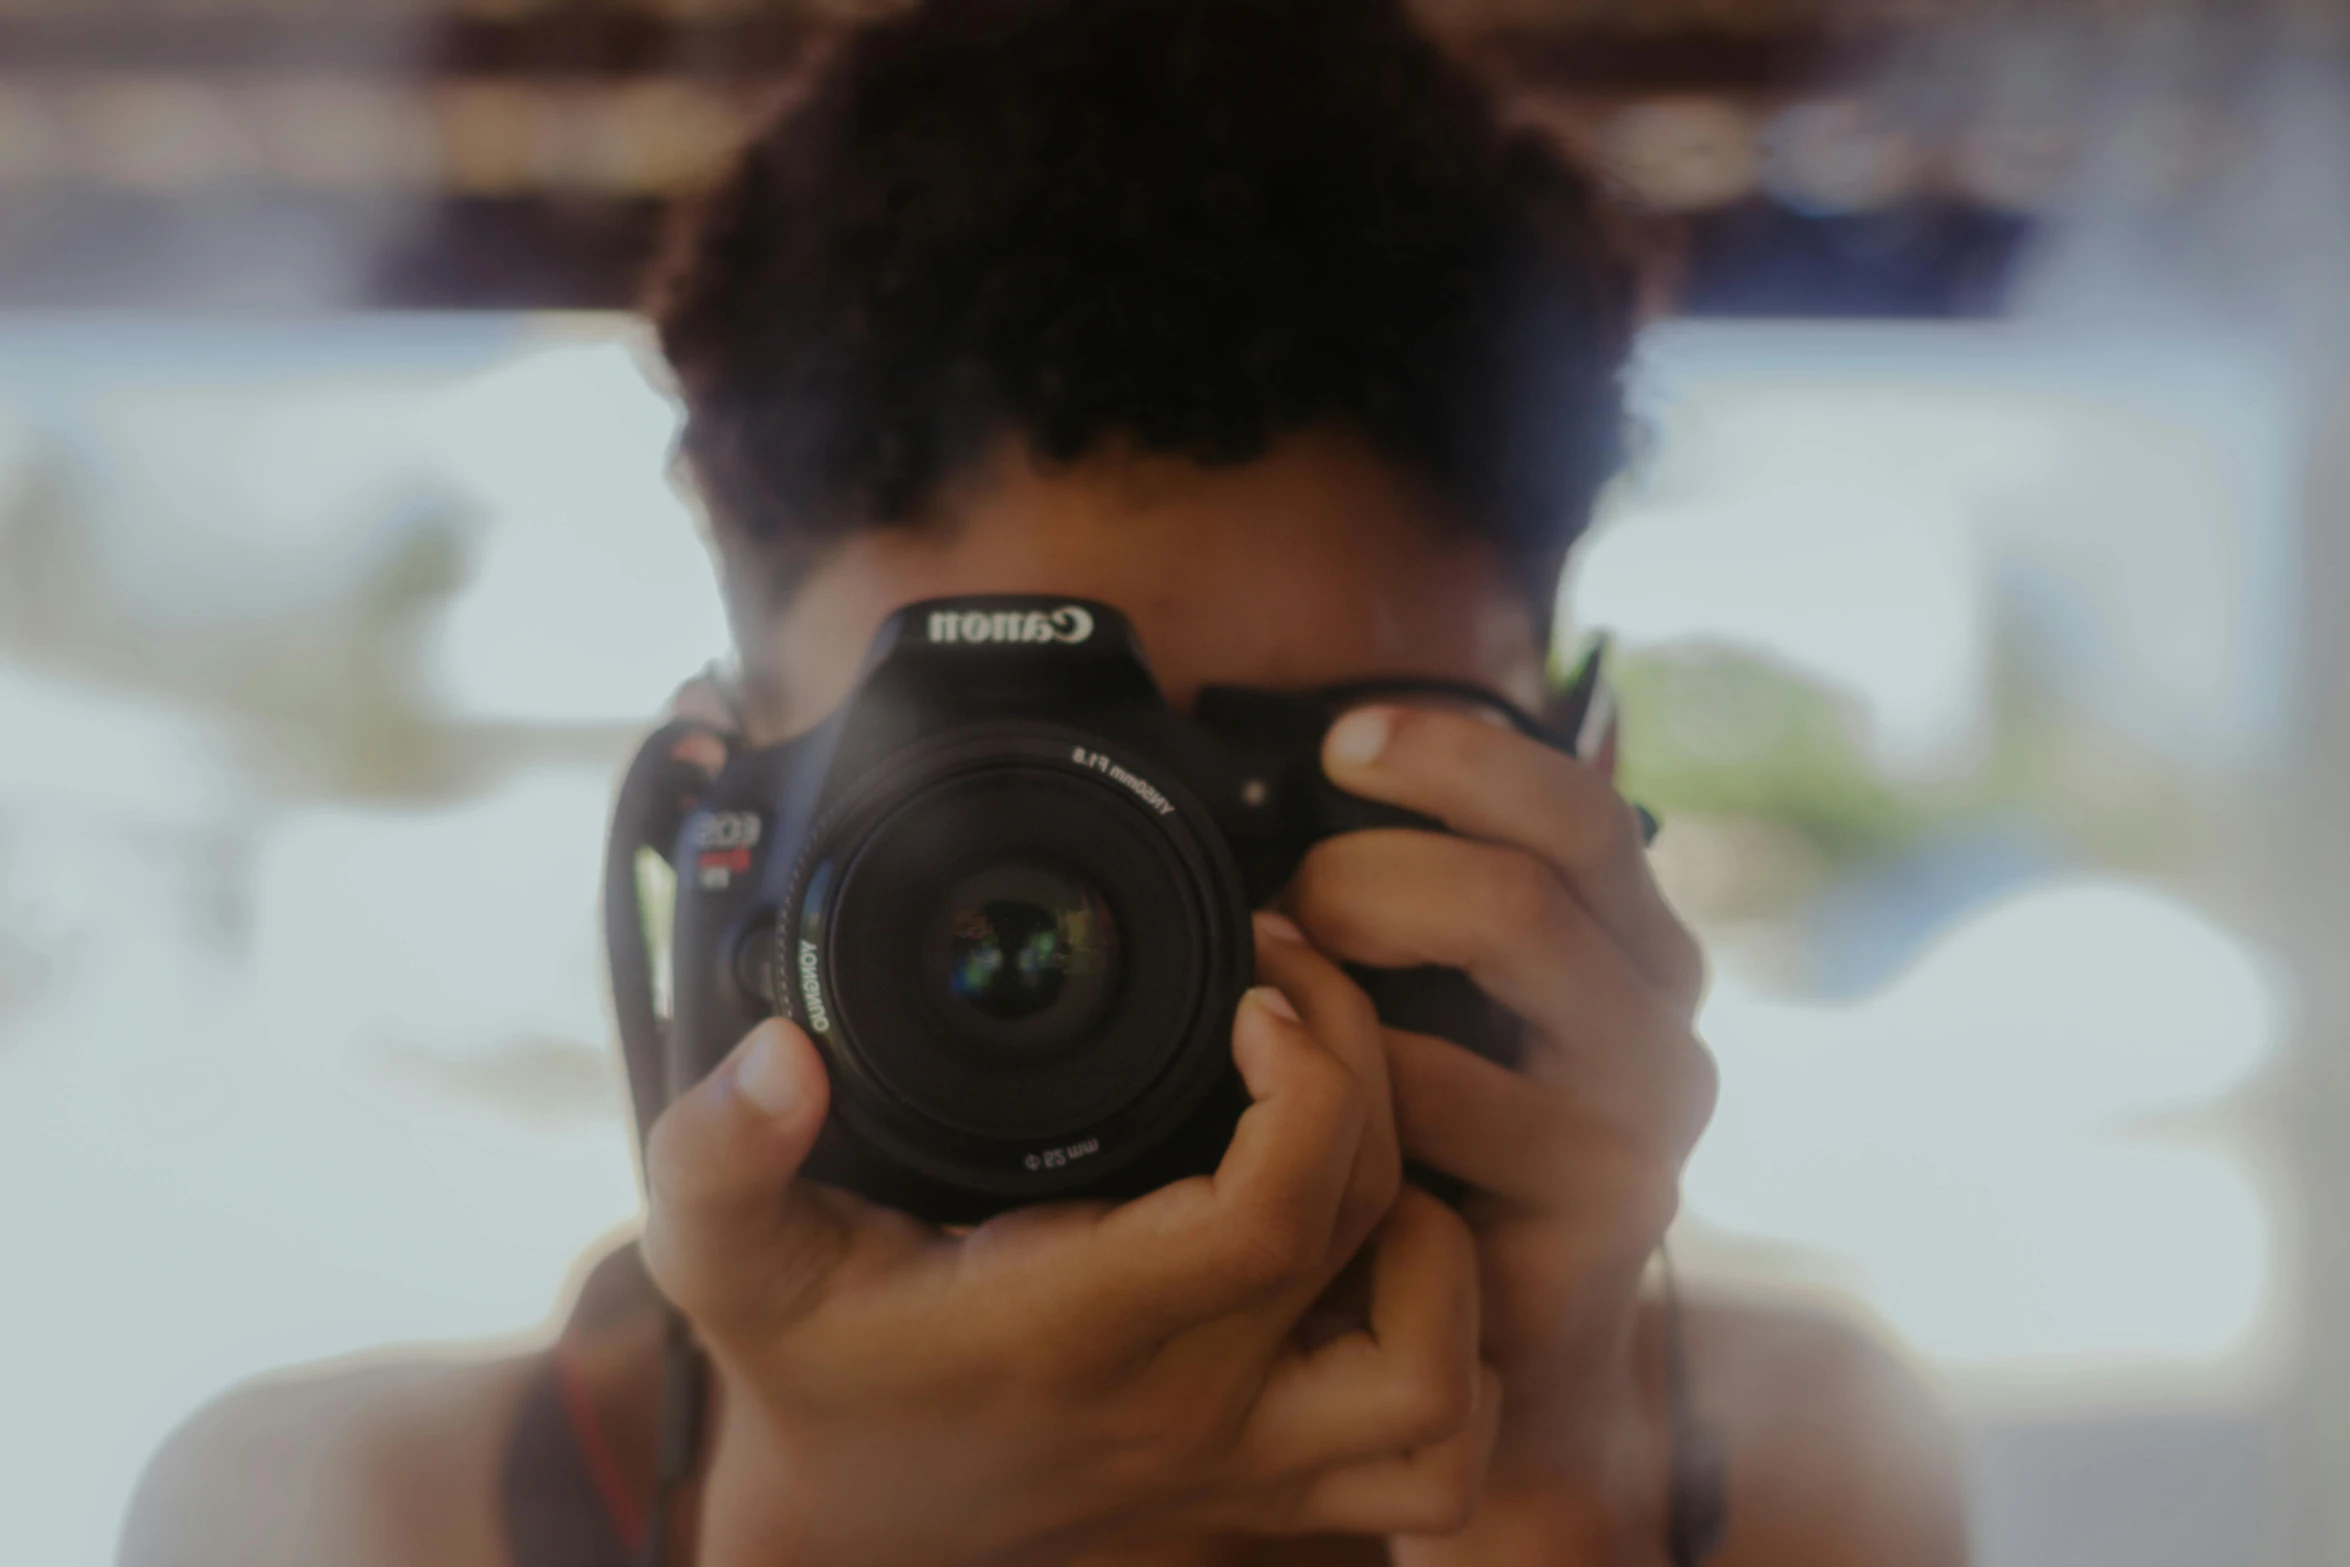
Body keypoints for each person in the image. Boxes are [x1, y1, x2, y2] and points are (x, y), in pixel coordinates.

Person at [121, 2, 1966, 1564]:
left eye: (1280, 793)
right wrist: (802, 1526)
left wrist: (1547, 1482)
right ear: (717, 828)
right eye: (988, 799)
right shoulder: (333, 1514)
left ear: (1583, 790)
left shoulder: (1792, 1467)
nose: (1130, 924)